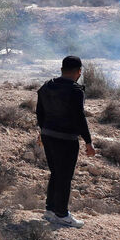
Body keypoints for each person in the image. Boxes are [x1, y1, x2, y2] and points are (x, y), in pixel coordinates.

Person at [36, 56, 96, 228]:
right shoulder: (76, 91)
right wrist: (88, 142)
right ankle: (61, 214)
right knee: (64, 176)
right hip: (66, 139)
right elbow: (79, 118)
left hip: (48, 135)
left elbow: (39, 112)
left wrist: (43, 130)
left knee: (56, 173)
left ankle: (50, 210)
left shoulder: (46, 86)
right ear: (78, 72)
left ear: (62, 70)